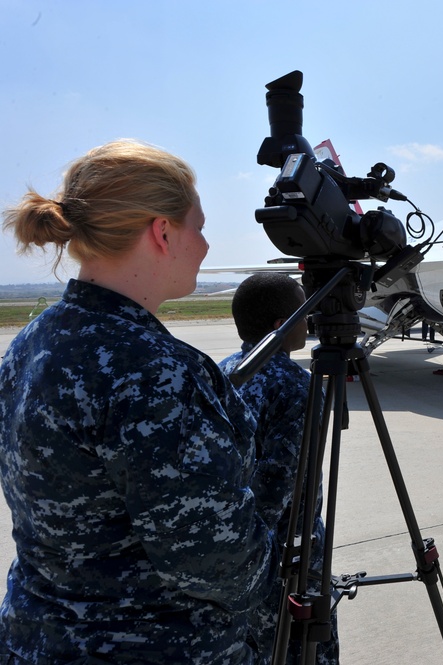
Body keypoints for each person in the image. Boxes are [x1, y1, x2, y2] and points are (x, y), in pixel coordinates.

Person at [0, 139, 276, 663]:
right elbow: (213, 557)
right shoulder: (153, 371)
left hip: (34, 639)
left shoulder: (32, 342)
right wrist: (276, 573)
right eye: (198, 226)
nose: (206, 244)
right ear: (163, 231)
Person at [218, 274, 338, 664]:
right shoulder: (295, 385)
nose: (309, 322)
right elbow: (279, 480)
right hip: (288, 557)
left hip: (233, 550)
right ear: (279, 326)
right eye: (302, 312)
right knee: (303, 650)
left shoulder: (223, 372)